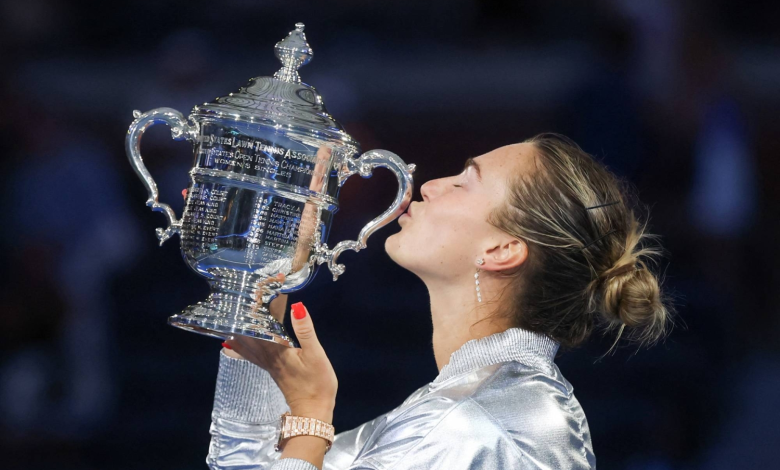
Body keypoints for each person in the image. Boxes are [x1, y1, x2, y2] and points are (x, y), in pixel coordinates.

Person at [206, 133, 672, 470]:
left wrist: (311, 415)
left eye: (465, 181)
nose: (430, 186)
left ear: (500, 250)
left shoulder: (473, 424)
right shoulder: (473, 406)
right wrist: (261, 285)